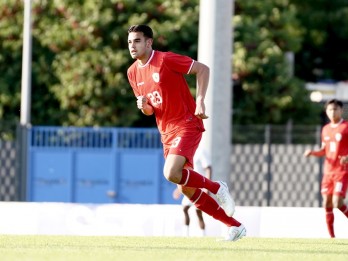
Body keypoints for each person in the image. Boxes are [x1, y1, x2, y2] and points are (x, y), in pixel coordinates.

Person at [127, 24, 246, 241]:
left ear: (149, 42)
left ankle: (217, 187)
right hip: (166, 133)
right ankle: (235, 226)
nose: (132, 46)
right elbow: (150, 110)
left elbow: (203, 69)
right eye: (129, 42)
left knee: (170, 172)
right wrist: (144, 107)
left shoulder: (165, 59)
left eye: (137, 41)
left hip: (187, 123)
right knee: (186, 190)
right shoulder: (132, 73)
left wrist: (200, 100)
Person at [304, 99, 348, 238]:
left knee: (337, 202)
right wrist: (312, 153)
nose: (332, 112)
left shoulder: (346, 126)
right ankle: (332, 238)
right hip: (328, 172)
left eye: (335, 109)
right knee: (326, 203)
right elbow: (324, 150)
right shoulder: (325, 129)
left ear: (341, 110)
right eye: (330, 109)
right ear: (326, 111)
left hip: (341, 171)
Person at [173, 145, 212, 237]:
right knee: (185, 208)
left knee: (198, 211)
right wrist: (178, 190)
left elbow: (208, 168)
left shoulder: (201, 151)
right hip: (189, 186)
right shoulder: (187, 151)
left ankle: (203, 234)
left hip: (200, 185)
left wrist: (208, 186)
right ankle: (186, 234)